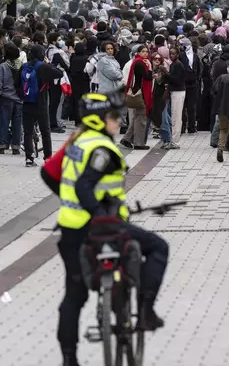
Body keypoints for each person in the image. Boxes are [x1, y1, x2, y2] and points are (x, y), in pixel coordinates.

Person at [45, 89, 168, 366]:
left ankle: (69, 358)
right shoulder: (102, 149)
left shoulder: (77, 141)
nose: (118, 121)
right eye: (114, 117)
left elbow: (53, 174)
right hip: (102, 227)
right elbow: (84, 185)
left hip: (70, 229)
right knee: (158, 246)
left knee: (73, 295)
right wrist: (100, 215)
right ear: (101, 121)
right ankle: (145, 311)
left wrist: (69, 200)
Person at [22, 45, 63, 167]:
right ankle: (48, 158)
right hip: (41, 103)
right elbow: (59, 73)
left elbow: (17, 83)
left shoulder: (24, 66)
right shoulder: (43, 67)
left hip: (27, 103)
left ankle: (29, 158)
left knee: (28, 132)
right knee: (45, 131)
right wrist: (48, 63)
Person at [0, 43, 23, 155]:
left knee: (4, 122)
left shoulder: (3, 66)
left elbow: (0, 82)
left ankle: (2, 145)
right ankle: (16, 146)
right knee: (17, 123)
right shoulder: (21, 66)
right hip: (19, 99)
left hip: (6, 98)